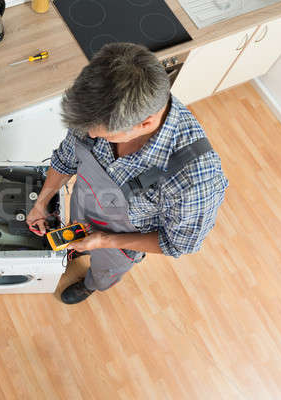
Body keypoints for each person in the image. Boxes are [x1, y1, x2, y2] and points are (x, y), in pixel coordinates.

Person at [26, 43, 228, 304]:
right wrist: (42, 203)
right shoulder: (99, 113)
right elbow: (66, 160)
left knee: (104, 271)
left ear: (146, 123)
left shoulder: (194, 179)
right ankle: (78, 251)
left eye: (102, 134)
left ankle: (91, 284)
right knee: (74, 236)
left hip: (120, 244)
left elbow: (179, 244)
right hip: (84, 205)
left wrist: (104, 241)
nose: (90, 136)